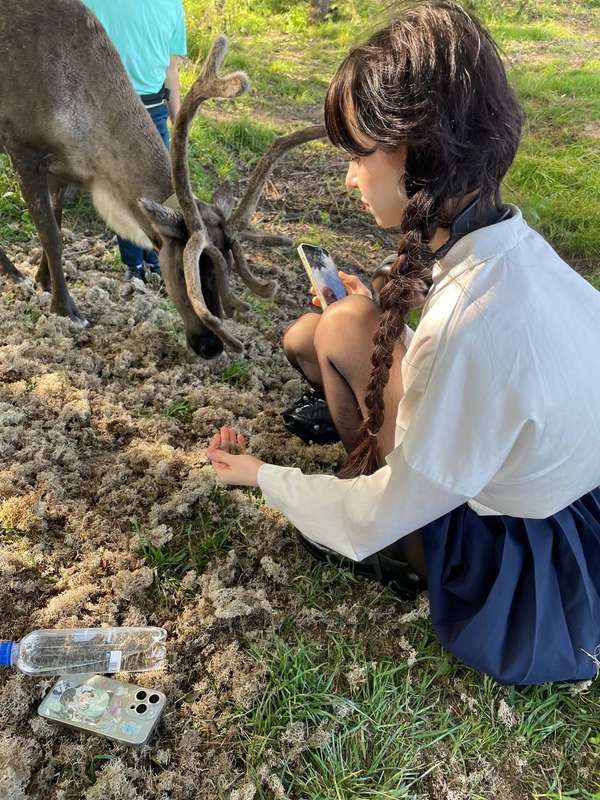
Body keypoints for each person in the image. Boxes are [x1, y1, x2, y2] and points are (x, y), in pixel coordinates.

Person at [206, 1, 600, 686]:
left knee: (340, 328)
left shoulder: (470, 325)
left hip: (519, 578)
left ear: (421, 151)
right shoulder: (521, 254)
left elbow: (380, 511)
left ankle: (401, 562)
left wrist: (263, 477)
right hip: (576, 523)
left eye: (359, 154)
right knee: (337, 324)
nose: (348, 178)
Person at [82, 0, 187, 281]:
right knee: (123, 189)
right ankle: (133, 266)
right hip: (112, 110)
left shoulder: (172, 6)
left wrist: (179, 122)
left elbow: (171, 71)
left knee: (162, 190)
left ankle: (156, 257)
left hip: (154, 111)